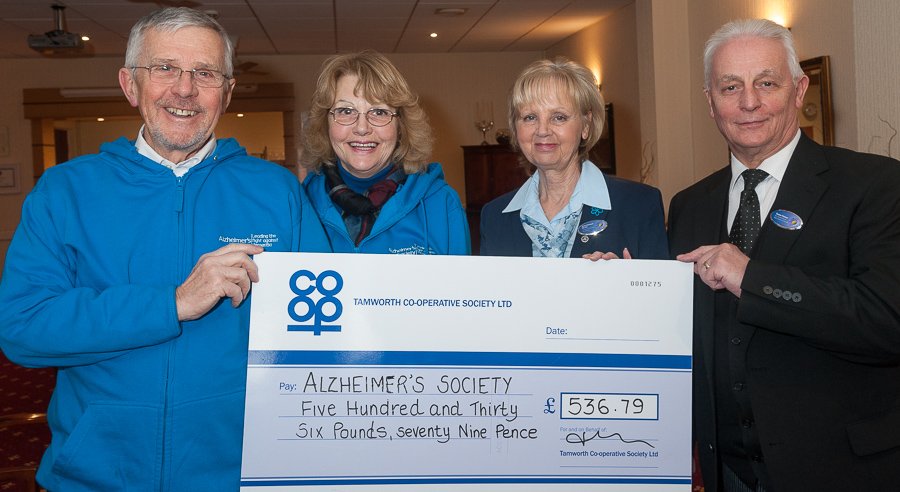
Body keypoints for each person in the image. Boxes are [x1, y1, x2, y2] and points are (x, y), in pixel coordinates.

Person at [0, 7, 328, 490]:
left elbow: (324, 333)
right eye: (165, 68)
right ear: (130, 84)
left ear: (228, 92)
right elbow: (23, 329)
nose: (185, 88)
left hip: (239, 477)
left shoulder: (276, 191)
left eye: (205, 73)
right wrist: (171, 303)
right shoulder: (64, 191)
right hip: (94, 478)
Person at [668, 18, 900, 492]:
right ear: (710, 101)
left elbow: (886, 320)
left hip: (841, 471)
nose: (748, 102)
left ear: (798, 89)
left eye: (766, 83)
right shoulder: (689, 204)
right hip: (728, 472)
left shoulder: (875, 185)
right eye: (730, 86)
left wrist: (751, 277)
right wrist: (620, 290)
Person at [479, 57, 667, 259]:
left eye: (559, 117)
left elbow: (662, 289)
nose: (542, 130)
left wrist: (627, 283)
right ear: (516, 128)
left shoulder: (638, 205)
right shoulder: (494, 216)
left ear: (586, 125)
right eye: (530, 117)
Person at [300, 50, 470, 255]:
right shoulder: (299, 203)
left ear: (402, 126)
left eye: (379, 112)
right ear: (324, 124)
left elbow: (462, 287)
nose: (362, 128)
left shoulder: (442, 203)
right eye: (346, 111)